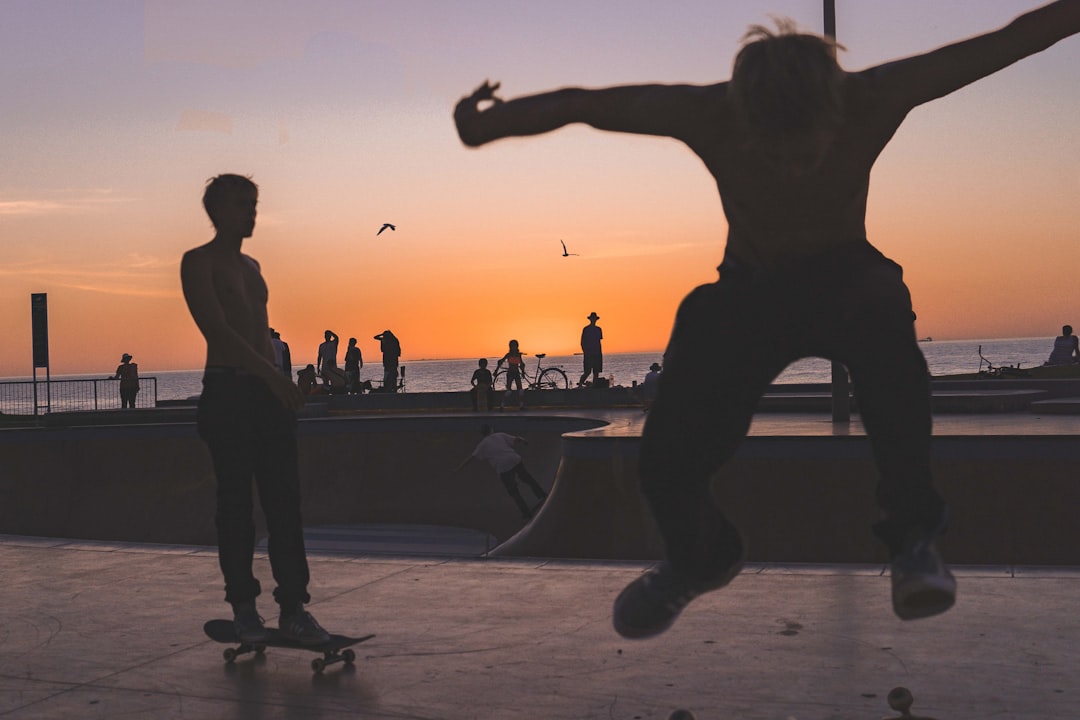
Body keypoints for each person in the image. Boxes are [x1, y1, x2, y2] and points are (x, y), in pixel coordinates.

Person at [454, 2, 1080, 638]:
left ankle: (913, 539)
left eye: (807, 150)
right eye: (771, 153)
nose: (792, 166)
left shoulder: (875, 95)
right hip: (750, 289)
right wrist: (486, 125)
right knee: (672, 429)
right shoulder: (707, 111)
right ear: (743, 120)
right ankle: (699, 554)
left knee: (883, 306)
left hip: (846, 281)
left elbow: (1013, 40)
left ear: (835, 113)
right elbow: (585, 103)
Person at [181, 173, 329, 646]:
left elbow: (260, 332)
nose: (252, 212)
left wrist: (288, 383)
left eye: (255, 203)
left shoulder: (253, 266)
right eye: (243, 204)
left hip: (267, 396)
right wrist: (271, 377)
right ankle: (245, 609)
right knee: (236, 507)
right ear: (215, 211)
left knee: (285, 504)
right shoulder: (197, 262)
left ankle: (293, 610)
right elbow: (218, 331)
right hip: (228, 394)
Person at [457, 424, 548, 519]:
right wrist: (524, 440)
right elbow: (516, 439)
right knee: (527, 478)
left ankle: (526, 512)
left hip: (503, 467)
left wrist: (459, 467)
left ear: (482, 434)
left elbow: (471, 457)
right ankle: (541, 494)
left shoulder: (482, 445)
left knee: (513, 491)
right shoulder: (499, 435)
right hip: (514, 460)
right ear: (491, 430)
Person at [494, 339, 526, 410]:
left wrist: (523, 372)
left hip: (517, 373)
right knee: (508, 391)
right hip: (510, 373)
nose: (513, 347)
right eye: (512, 346)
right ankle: (502, 406)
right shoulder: (508, 355)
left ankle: (521, 406)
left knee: (520, 390)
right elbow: (501, 362)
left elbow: (521, 364)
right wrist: (496, 371)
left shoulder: (518, 355)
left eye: (515, 346)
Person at [579, 312, 604, 387]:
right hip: (589, 353)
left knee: (596, 372)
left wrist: (599, 353)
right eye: (592, 319)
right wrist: (585, 351)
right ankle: (580, 384)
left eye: (595, 319)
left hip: (597, 353)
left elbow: (599, 342)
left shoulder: (598, 329)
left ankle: (594, 386)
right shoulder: (586, 329)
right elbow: (582, 342)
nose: (594, 320)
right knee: (587, 371)